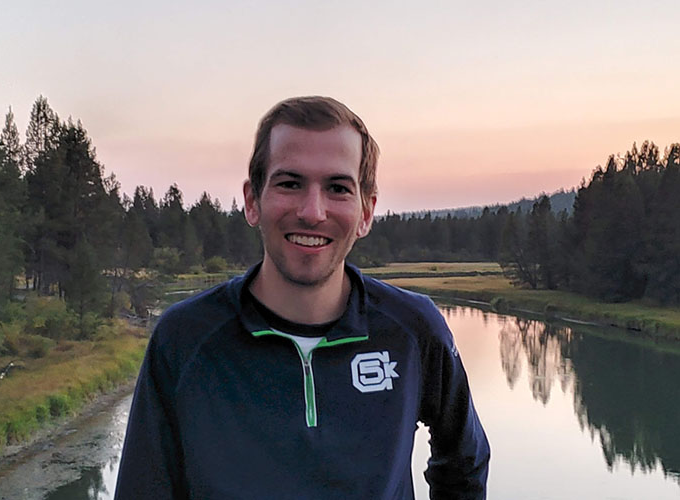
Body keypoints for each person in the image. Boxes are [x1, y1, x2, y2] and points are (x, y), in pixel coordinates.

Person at [115, 96, 490, 499]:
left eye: (338, 188)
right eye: (290, 183)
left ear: (366, 213)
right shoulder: (185, 339)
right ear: (252, 201)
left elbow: (464, 464)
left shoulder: (413, 330)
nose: (313, 212)